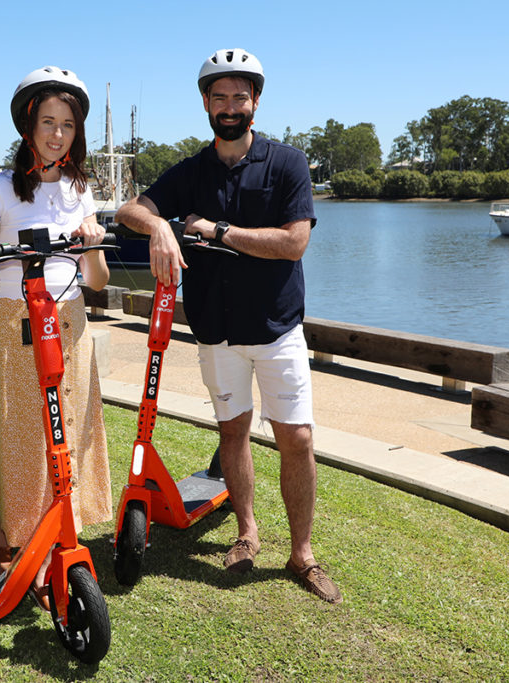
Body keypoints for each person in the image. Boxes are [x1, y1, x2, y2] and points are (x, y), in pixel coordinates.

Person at [115, 49, 341, 603]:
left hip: (277, 328)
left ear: (256, 103)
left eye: (240, 96)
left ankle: (303, 554)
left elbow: (293, 242)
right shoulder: (191, 171)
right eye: (220, 97)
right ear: (206, 104)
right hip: (215, 331)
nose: (231, 106)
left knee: (298, 437)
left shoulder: (287, 163)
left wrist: (215, 231)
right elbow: (128, 209)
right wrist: (161, 230)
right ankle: (246, 533)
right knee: (233, 433)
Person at [0, 66, 112, 610]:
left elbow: (97, 282)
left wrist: (92, 243)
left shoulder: (80, 189)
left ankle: (54, 540)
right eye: (47, 122)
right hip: (12, 319)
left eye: (67, 125)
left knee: (68, 435)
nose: (57, 134)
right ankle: (16, 527)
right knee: (21, 435)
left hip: (70, 324)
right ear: (28, 126)